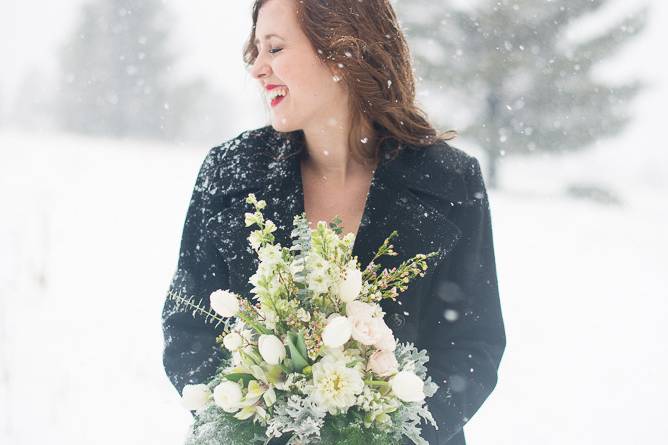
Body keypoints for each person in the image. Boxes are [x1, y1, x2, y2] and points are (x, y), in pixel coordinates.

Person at [161, 1, 506, 444]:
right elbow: (189, 329)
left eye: (276, 48)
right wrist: (260, 422)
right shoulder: (230, 173)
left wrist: (381, 433)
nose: (258, 69)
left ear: (342, 49)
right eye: (257, 51)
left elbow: (471, 348)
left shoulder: (449, 182)